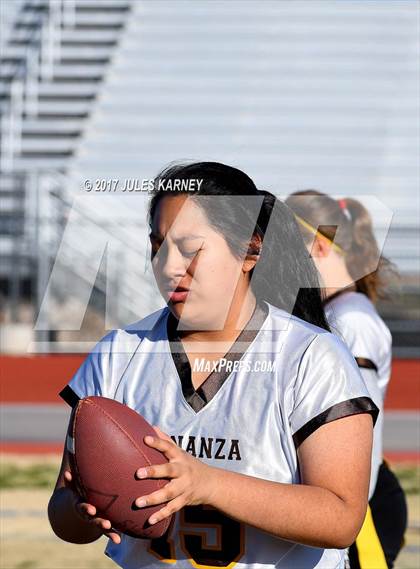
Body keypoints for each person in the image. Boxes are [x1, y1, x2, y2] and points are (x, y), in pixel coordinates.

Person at [48, 162, 379, 569]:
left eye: (190, 248)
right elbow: (62, 512)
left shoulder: (312, 356)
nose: (168, 266)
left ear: (250, 250)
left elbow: (342, 517)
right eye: (158, 246)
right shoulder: (118, 353)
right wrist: (86, 510)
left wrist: (206, 483)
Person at [285, 190, 407, 569]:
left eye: (286, 250)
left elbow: (359, 439)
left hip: (362, 513)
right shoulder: (334, 312)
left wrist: (342, 512)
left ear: (320, 245)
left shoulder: (351, 321)